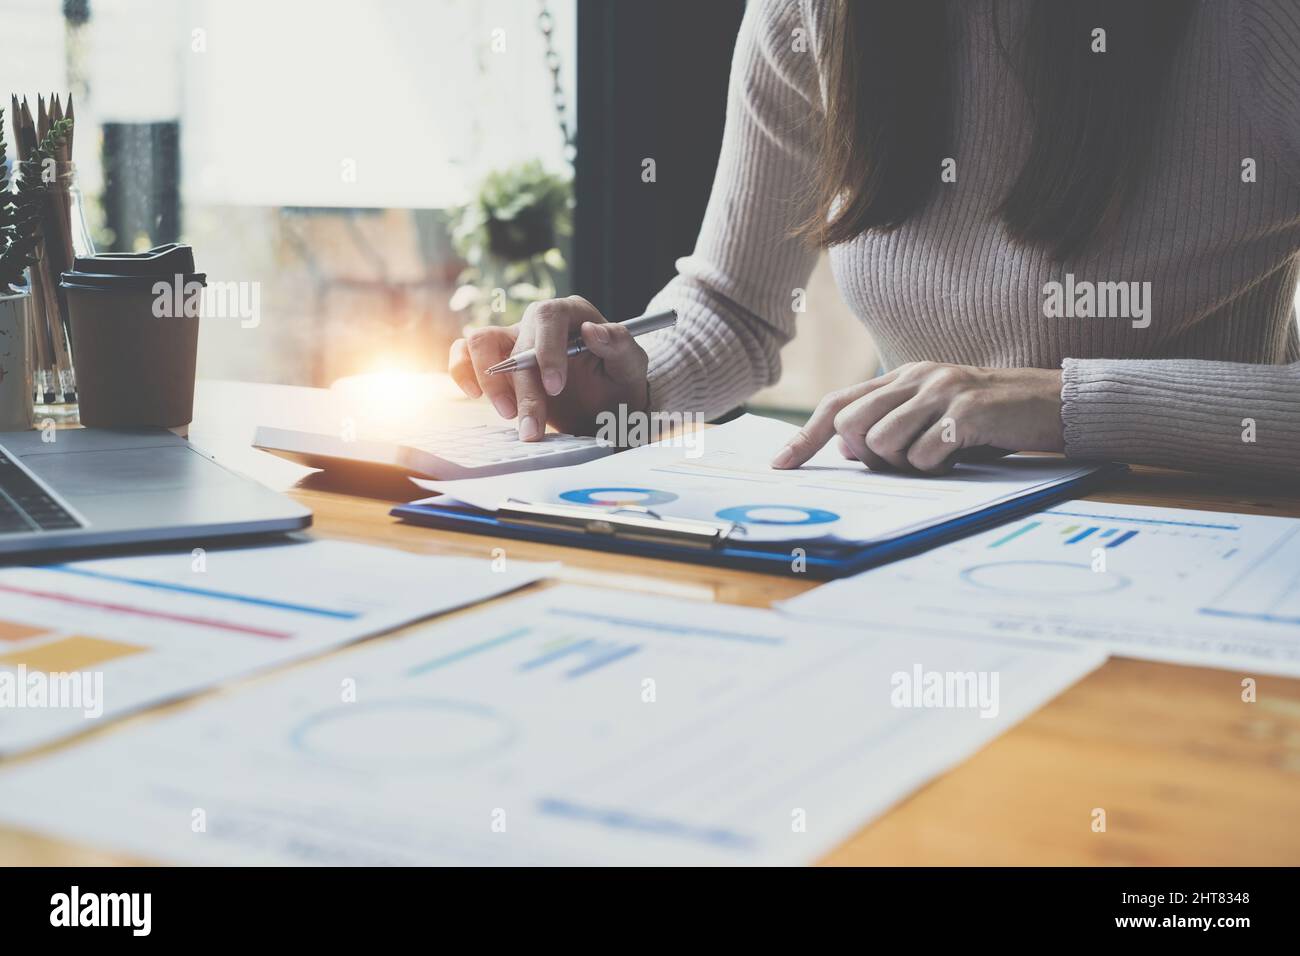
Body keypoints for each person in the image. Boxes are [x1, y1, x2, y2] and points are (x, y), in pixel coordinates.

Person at [450, 0, 1300, 479]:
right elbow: (733, 308)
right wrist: (626, 383)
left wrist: (1066, 404)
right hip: (918, 531)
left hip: (1206, 532)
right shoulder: (815, 14)